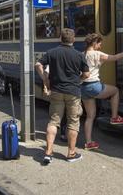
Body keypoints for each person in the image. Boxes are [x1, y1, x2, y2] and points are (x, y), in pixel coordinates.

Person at [35, 28, 89, 165]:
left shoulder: (52, 52)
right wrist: (79, 80)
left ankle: (48, 152)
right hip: (73, 93)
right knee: (72, 122)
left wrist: (45, 79)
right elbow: (86, 74)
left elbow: (38, 64)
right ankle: (71, 153)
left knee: (53, 121)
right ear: (74, 39)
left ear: (60, 39)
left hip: (56, 91)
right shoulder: (78, 55)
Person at [81, 33, 123, 150]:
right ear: (94, 43)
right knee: (115, 91)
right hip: (94, 86)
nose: (100, 46)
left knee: (90, 117)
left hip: (83, 87)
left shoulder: (82, 54)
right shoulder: (97, 54)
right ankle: (114, 117)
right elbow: (114, 58)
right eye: (99, 43)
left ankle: (89, 143)